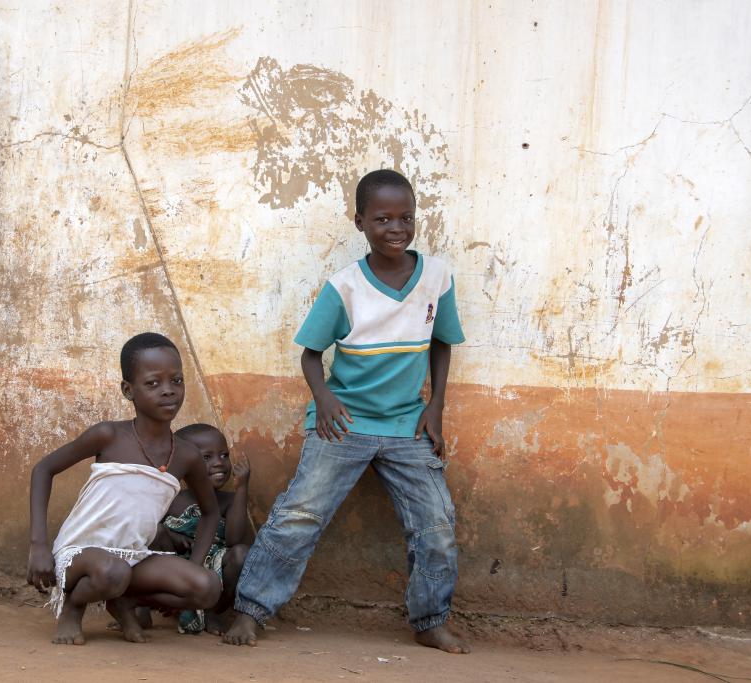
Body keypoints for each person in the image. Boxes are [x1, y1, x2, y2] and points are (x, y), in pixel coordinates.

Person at [224, 169, 470, 654]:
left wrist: (435, 406)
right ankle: (249, 610)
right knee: (299, 515)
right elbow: (310, 354)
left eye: (406, 218)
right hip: (344, 422)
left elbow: (442, 343)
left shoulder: (437, 278)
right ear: (359, 222)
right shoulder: (345, 287)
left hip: (406, 425)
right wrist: (324, 398)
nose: (396, 228)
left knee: (436, 525)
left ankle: (429, 620)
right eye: (382, 219)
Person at [27, 333, 222, 645]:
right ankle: (74, 608)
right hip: (82, 553)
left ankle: (125, 600)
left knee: (206, 587)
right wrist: (38, 544)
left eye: (176, 380)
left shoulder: (186, 455)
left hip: (133, 557)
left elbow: (211, 513)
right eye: (153, 383)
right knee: (112, 571)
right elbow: (43, 469)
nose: (169, 390)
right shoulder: (109, 436)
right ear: (128, 390)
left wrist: (193, 565)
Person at [152, 423, 252, 635]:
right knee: (155, 534)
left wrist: (242, 487)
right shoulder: (171, 498)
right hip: (175, 572)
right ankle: (140, 607)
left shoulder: (228, 501)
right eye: (207, 458)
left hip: (213, 571)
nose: (219, 464)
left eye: (224, 456)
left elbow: (233, 539)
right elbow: (145, 528)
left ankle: (213, 612)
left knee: (242, 554)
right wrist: (170, 534)